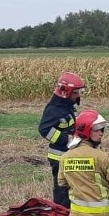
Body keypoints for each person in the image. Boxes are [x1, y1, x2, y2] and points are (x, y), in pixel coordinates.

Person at [38, 72, 86, 208]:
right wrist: (68, 139)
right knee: (62, 191)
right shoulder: (54, 109)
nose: (78, 95)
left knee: (72, 189)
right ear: (66, 92)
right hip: (59, 156)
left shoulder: (68, 105)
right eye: (76, 92)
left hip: (69, 154)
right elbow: (44, 130)